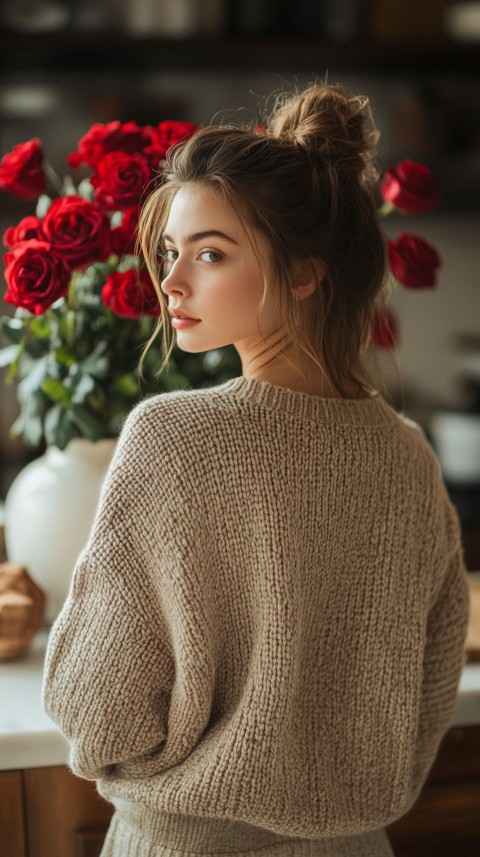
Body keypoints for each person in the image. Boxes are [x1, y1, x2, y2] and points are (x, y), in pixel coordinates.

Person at [43, 82, 469, 857]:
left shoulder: (172, 436)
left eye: (210, 254)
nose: (171, 283)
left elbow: (96, 708)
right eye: (171, 253)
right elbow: (429, 692)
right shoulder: (408, 455)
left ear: (305, 273)